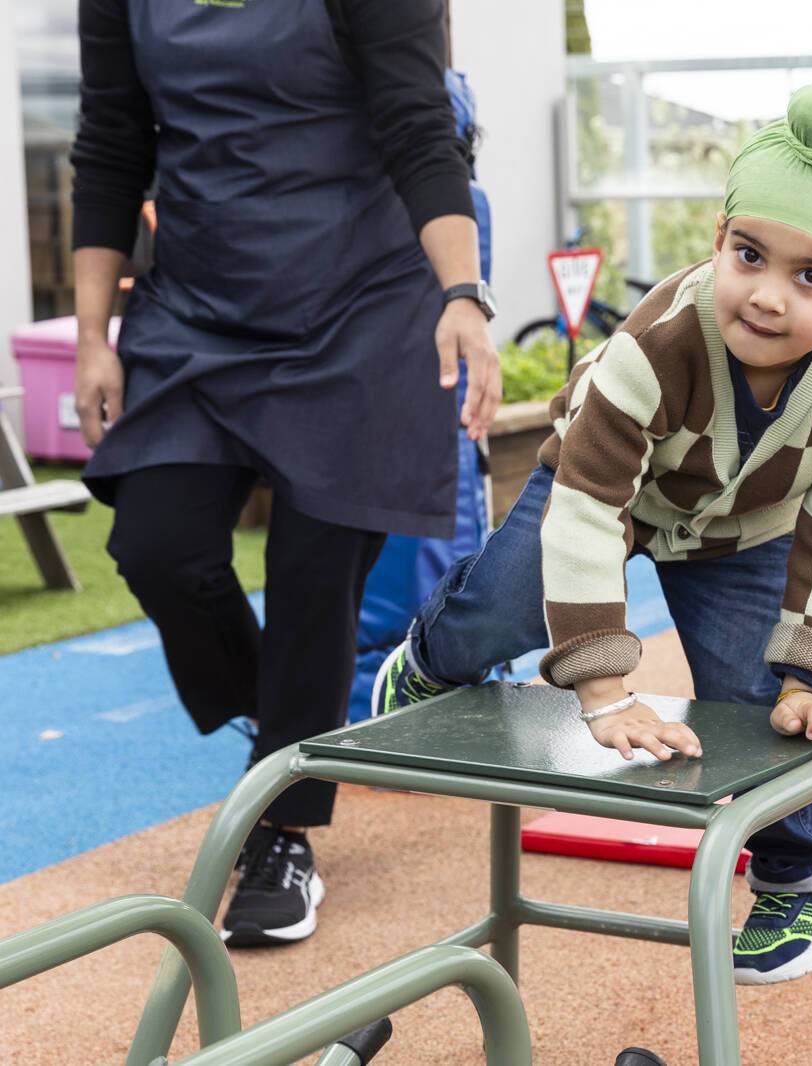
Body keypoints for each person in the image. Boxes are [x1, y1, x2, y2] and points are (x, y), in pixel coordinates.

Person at [374, 78, 812, 985]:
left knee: (759, 700)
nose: (768, 296)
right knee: (510, 601)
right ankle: (432, 653)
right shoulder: (655, 346)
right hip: (607, 489)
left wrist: (810, 678)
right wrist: (603, 691)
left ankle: (800, 881)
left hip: (745, 532)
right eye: (750, 256)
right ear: (719, 239)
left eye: (811, 276)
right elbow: (587, 512)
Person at [70, 0, 501, 946]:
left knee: (315, 577)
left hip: (362, 304)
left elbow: (418, 125)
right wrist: (93, 334)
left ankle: (283, 833)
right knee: (158, 546)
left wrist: (464, 296)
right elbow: (110, 143)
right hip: (197, 305)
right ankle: (291, 729)